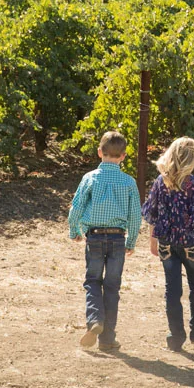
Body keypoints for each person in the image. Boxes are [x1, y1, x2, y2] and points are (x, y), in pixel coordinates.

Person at [67, 131, 141, 352]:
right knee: (112, 286)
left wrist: (75, 230)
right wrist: (132, 241)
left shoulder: (90, 178)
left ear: (100, 152)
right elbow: (135, 215)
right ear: (124, 156)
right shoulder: (129, 181)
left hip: (95, 236)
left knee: (92, 281)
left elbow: (76, 207)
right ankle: (107, 339)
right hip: (118, 238)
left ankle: (94, 320)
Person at [141, 137, 194, 351]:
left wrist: (152, 240)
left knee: (172, 290)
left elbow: (153, 214)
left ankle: (175, 337)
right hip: (191, 244)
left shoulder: (160, 182)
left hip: (166, 243)